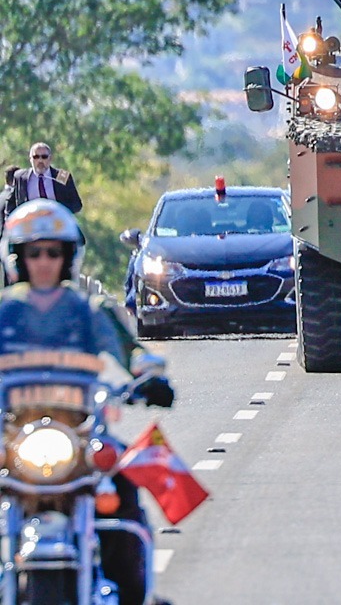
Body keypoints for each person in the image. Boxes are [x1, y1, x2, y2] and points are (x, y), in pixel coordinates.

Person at [0, 200, 174, 605]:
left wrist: (148, 375)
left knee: (123, 488)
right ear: (18, 258)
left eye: (53, 252)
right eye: (34, 252)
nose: (44, 261)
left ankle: (135, 595)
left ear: (68, 257)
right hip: (11, 436)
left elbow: (131, 354)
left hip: (78, 434)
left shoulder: (90, 309)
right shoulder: (4, 311)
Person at [5, 143, 83, 216]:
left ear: (50, 158)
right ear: (30, 159)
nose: (40, 160)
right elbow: (10, 204)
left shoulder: (62, 176)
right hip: (30, 226)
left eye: (44, 157)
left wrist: (57, 209)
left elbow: (76, 205)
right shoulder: (20, 177)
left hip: (57, 225)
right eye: (36, 157)